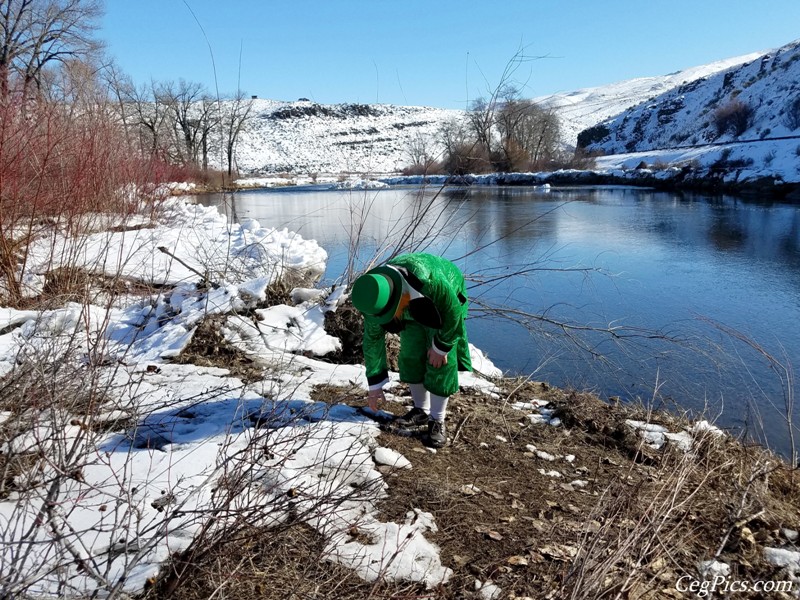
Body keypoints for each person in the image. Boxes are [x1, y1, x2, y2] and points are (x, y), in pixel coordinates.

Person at [350, 253, 472, 448]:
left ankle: (437, 420)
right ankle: (420, 411)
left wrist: (441, 347)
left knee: (439, 362)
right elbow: (372, 341)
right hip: (409, 303)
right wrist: (374, 386)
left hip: (440, 307)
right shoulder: (373, 292)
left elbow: (453, 314)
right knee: (410, 355)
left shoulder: (431, 282)